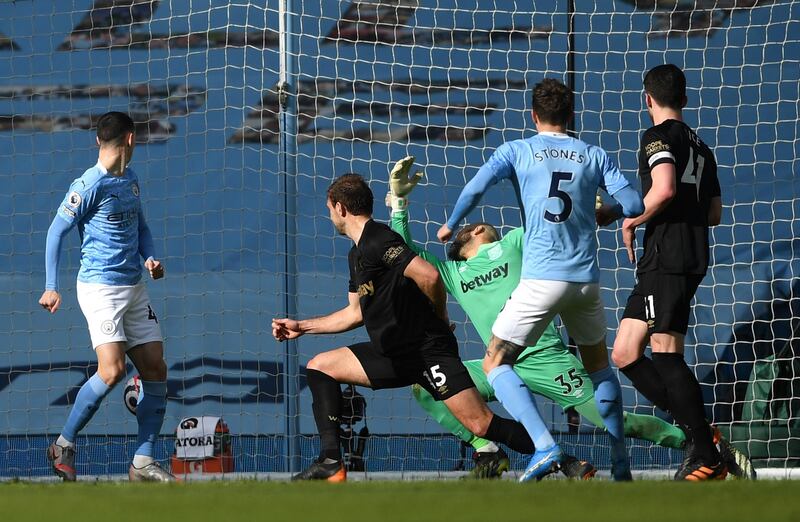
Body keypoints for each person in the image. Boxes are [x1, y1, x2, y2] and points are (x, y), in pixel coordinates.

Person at [388, 156, 753, 480]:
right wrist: (399, 204)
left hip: (546, 358)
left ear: (483, 231)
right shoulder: (451, 272)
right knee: (428, 385)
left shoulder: (517, 241)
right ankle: (490, 450)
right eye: (466, 227)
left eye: (474, 224)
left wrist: (585, 205)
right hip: (497, 365)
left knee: (618, 423)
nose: (471, 226)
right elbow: (403, 254)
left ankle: (704, 440)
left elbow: (557, 225)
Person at [437, 78, 645, 481]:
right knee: (600, 371)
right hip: (585, 283)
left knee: (495, 363)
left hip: (542, 280)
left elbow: (477, 186)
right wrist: (611, 211)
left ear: (533, 115)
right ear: (571, 116)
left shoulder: (517, 150)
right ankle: (621, 465)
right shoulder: (593, 154)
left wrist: (450, 225)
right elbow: (635, 203)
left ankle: (545, 446)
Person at [272, 174, 537, 482]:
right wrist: (302, 327)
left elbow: (430, 276)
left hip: (426, 351)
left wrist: (439, 317)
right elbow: (354, 313)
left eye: (329, 208)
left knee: (480, 424)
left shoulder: (377, 238)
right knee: (321, 367)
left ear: (340, 208)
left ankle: (557, 455)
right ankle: (331, 460)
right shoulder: (356, 253)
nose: (329, 215)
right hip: (392, 356)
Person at [609, 64, 733, 481]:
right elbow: (713, 213)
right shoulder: (703, 147)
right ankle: (701, 435)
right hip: (683, 255)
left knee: (664, 351)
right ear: (684, 97)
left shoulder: (656, 137)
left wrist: (631, 220)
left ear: (648, 99)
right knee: (625, 352)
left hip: (669, 256)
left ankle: (704, 450)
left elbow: (663, 189)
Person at [39, 111, 175, 482]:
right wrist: (52, 286)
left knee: (156, 370)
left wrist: (149, 258)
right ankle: (63, 444)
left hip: (133, 288)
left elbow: (141, 228)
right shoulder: (88, 185)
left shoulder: (130, 179)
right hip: (100, 289)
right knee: (113, 370)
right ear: (131, 140)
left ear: (100, 140)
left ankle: (143, 461)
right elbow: (56, 232)